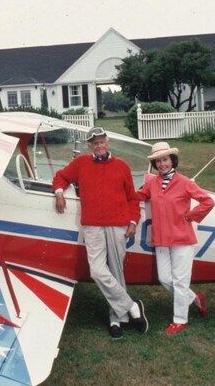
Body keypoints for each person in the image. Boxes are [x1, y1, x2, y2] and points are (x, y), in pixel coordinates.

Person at [52, 126, 148, 339]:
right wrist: (59, 192)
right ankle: (131, 307)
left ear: (107, 142)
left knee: (116, 271)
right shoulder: (81, 163)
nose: (99, 145)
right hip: (92, 225)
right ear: (90, 146)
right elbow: (60, 177)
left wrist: (133, 221)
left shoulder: (122, 166)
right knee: (97, 270)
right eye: (94, 142)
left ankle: (116, 319)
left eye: (102, 141)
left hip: (118, 225)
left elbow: (132, 198)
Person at [136, 141, 215, 335]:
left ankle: (180, 320)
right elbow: (139, 195)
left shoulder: (185, 182)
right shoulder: (152, 182)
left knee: (180, 281)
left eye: (165, 159)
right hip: (161, 239)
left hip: (182, 239)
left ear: (172, 160)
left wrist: (191, 216)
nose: (162, 164)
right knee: (164, 278)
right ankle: (195, 299)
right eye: (158, 161)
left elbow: (208, 202)